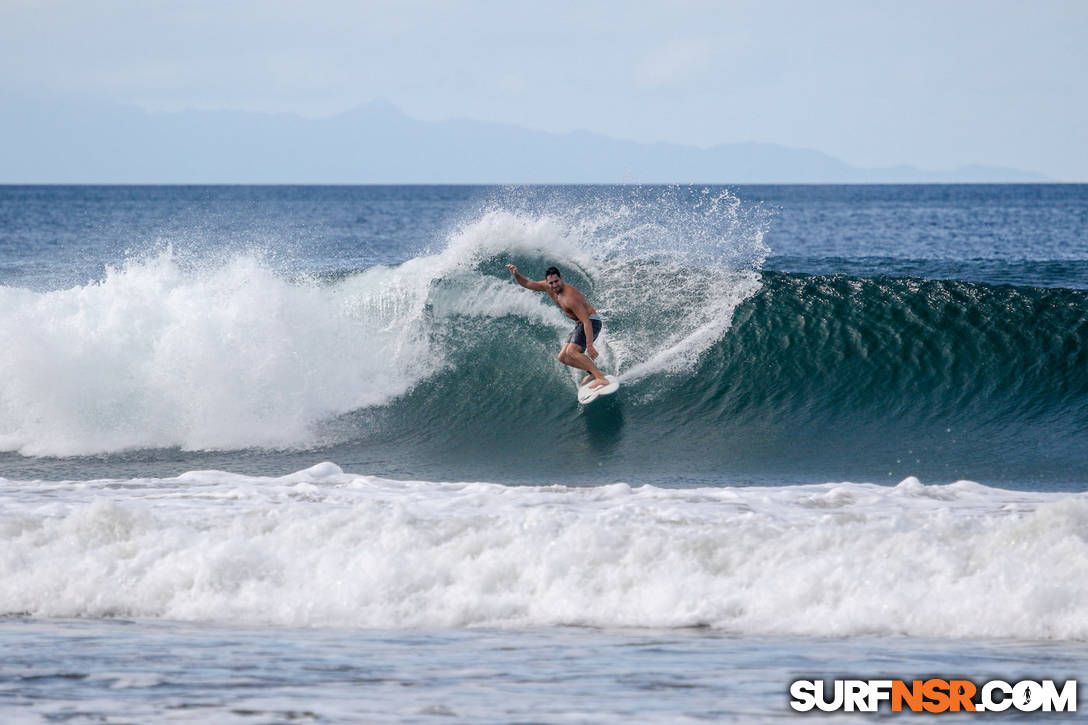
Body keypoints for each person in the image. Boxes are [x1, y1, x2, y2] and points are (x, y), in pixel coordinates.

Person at [506, 264, 610, 390]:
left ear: (561, 278)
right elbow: (528, 283)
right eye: (551, 283)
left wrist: (589, 345)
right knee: (563, 357)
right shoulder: (547, 286)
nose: (554, 285)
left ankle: (601, 378)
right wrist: (516, 274)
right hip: (580, 324)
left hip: (591, 322)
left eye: (556, 281)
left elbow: (587, 321)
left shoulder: (571, 297)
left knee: (572, 351)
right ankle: (594, 373)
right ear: (547, 282)